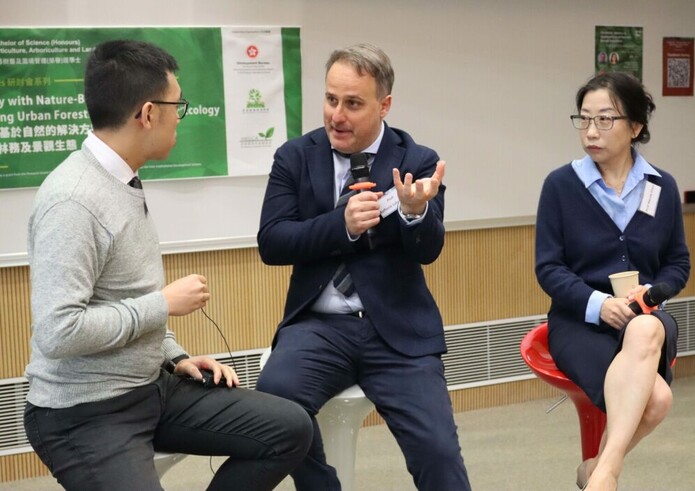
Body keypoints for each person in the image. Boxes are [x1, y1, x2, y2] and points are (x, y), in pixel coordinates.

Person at [23, 39, 312, 491]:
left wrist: (173, 356)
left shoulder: (123, 180)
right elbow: (59, 331)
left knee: (291, 428)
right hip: (82, 411)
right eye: (178, 105)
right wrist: (162, 305)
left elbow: (123, 295)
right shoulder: (73, 200)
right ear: (147, 113)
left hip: (151, 388)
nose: (181, 115)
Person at [256, 43, 471, 491]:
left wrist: (414, 213)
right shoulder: (295, 157)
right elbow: (273, 242)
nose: (337, 115)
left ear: (384, 104)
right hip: (319, 327)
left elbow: (428, 250)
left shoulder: (417, 160)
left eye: (353, 103)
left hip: (397, 329)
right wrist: (342, 225)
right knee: (275, 403)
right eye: (331, 99)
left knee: (438, 450)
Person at [535, 72, 690, 491]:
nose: (591, 131)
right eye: (583, 119)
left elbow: (678, 264)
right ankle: (603, 471)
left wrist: (652, 295)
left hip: (648, 321)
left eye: (605, 120)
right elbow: (548, 268)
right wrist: (598, 304)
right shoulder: (561, 186)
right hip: (579, 323)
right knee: (657, 400)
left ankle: (600, 473)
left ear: (635, 127)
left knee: (644, 326)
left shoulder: (661, 185)